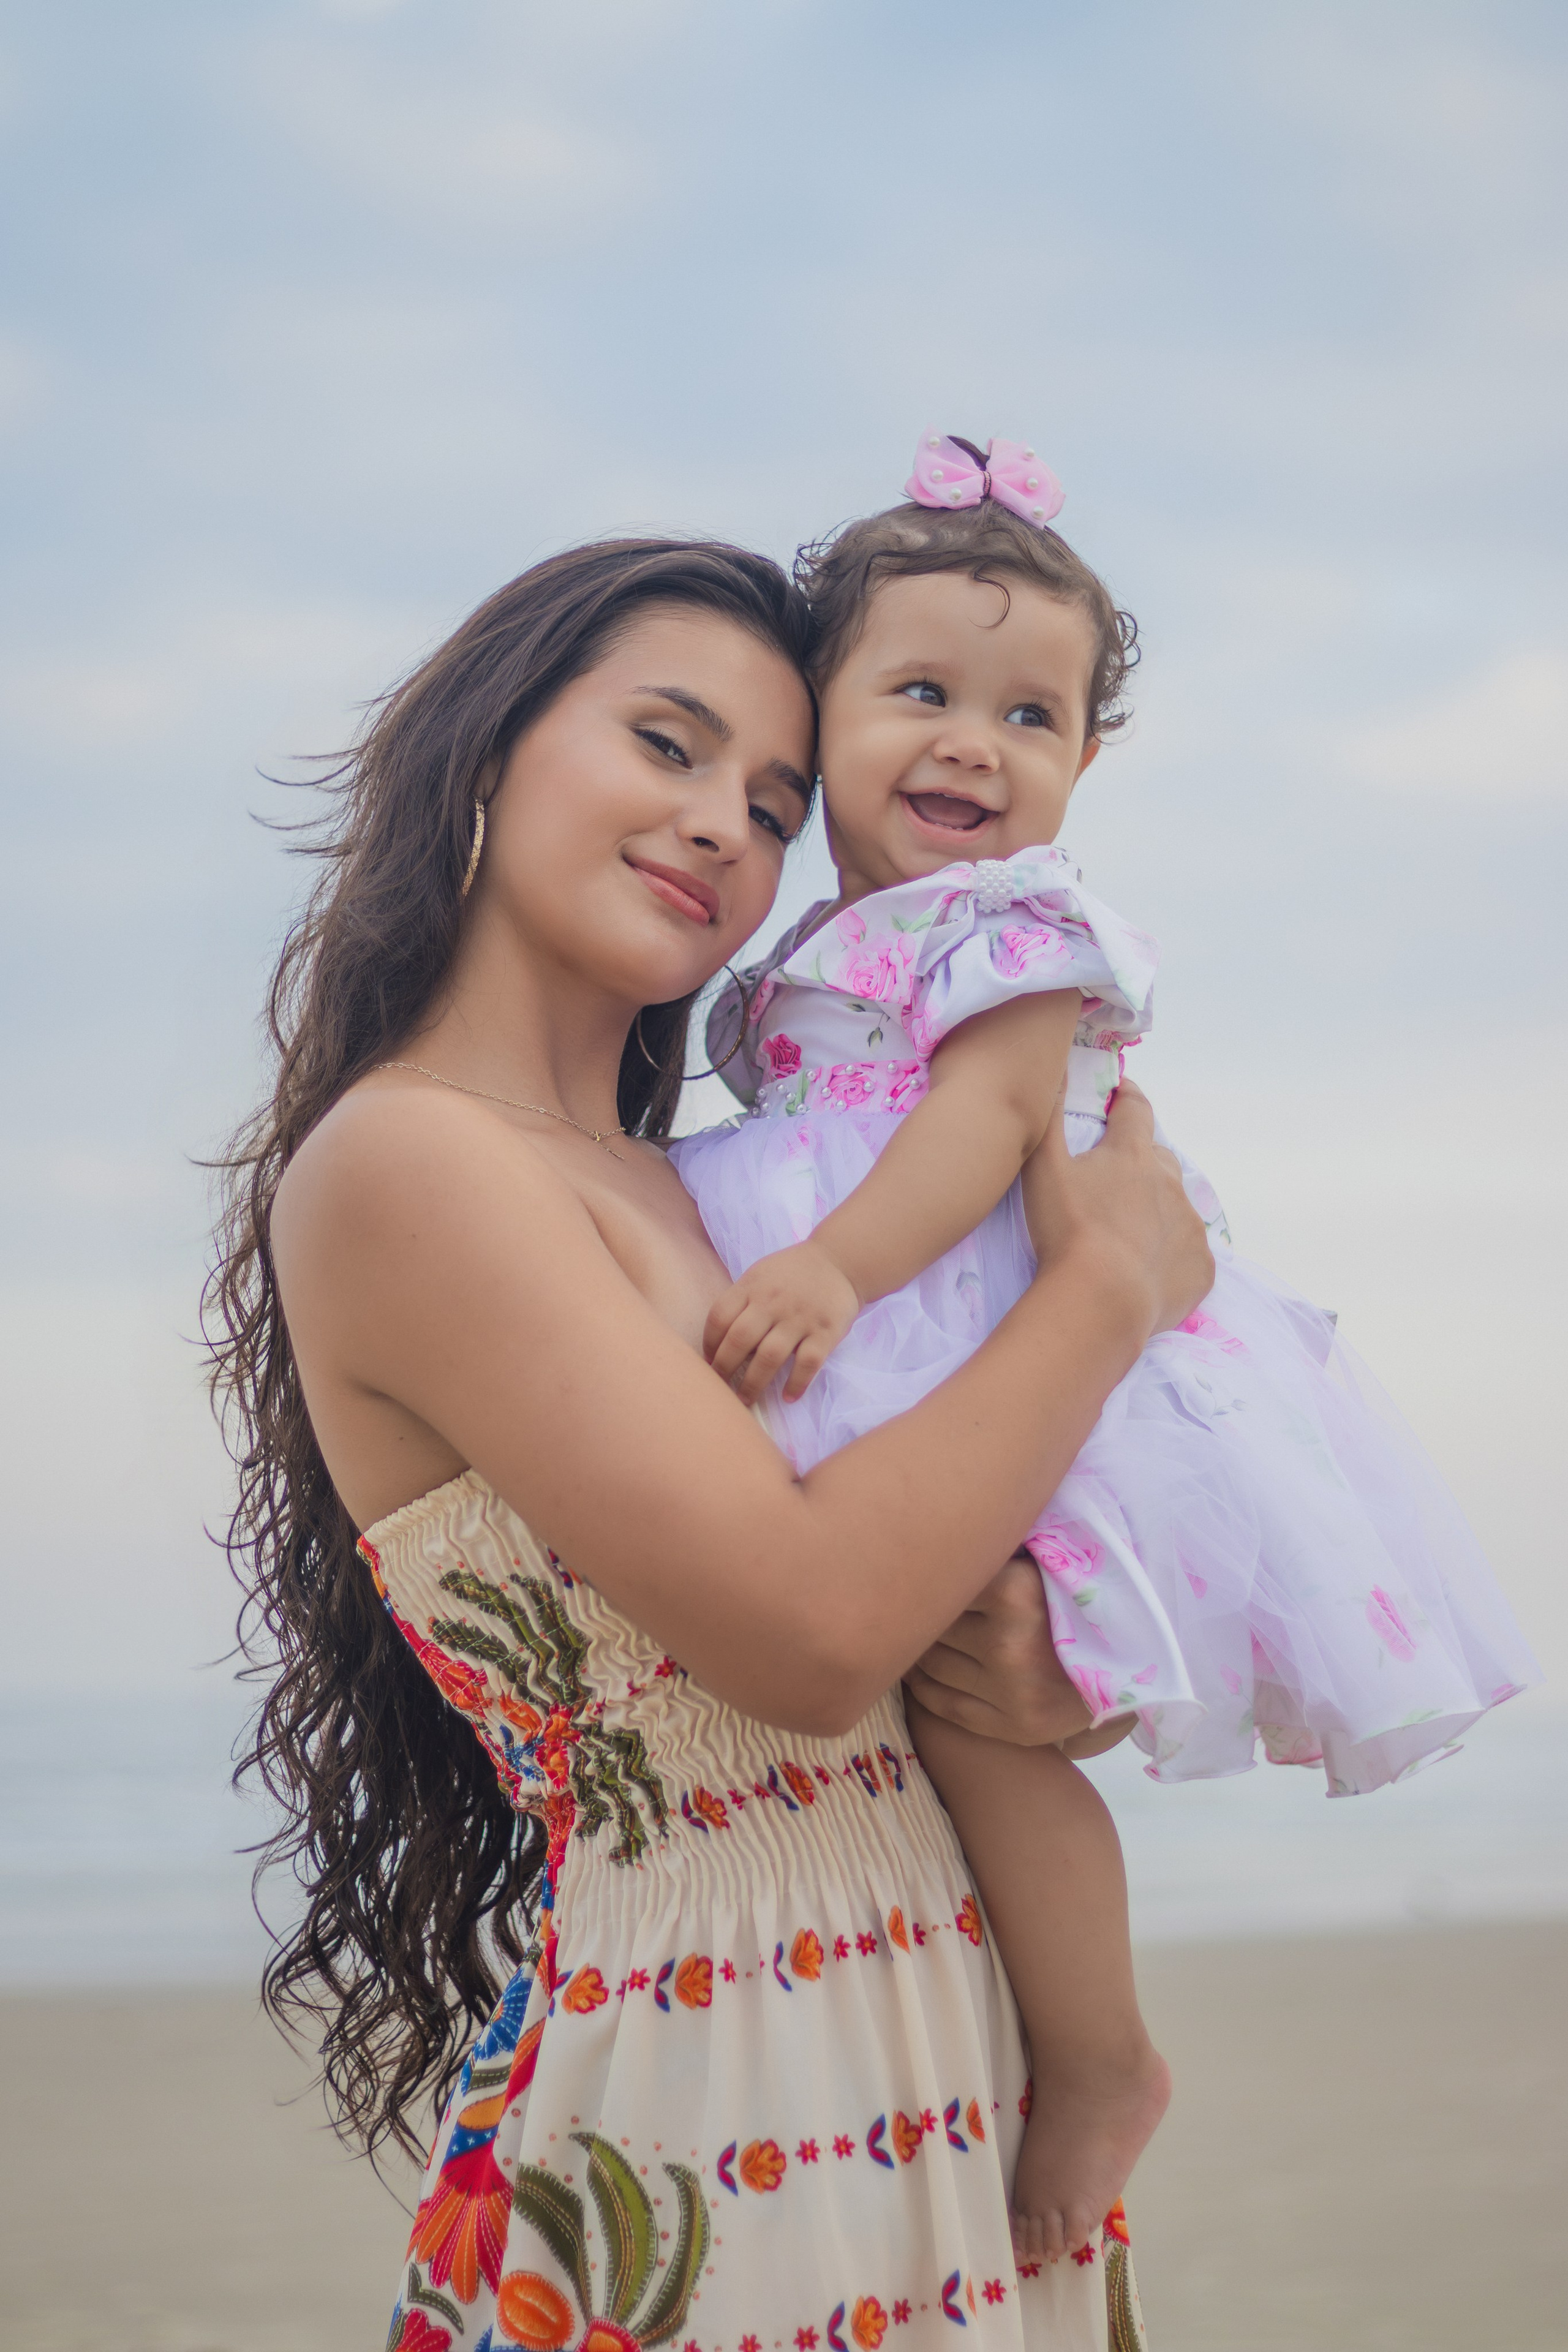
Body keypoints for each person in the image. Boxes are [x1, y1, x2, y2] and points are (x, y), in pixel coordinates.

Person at [207, 537, 1214, 2352]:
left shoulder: (706, 1193)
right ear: (489, 749)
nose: (718, 828)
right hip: (722, 2065)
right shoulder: (410, 1162)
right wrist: (1108, 1291)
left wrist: (1037, 1676)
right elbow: (812, 1636)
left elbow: (917, 1583)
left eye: (768, 797)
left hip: (934, 2024)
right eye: (663, 745)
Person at [676, 434, 1544, 2265]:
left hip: (986, 1323)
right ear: (816, 717)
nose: (974, 743)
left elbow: (990, 1119)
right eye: (920, 692)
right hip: (917, 1329)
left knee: (993, 1718)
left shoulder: (1018, 925)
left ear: (1085, 762)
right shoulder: (802, 948)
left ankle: (1100, 2058)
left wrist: (830, 1270)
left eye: (1032, 715)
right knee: (901, 1696)